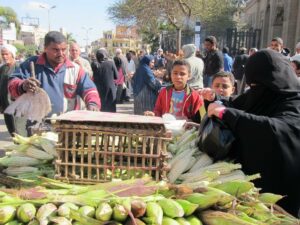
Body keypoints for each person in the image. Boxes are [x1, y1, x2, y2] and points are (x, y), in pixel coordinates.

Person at [205, 49, 300, 216]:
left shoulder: (295, 103)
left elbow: (277, 131)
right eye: (251, 86)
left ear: (274, 81)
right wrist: (215, 101)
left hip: (282, 191)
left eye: (256, 86)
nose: (253, 90)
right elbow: (237, 104)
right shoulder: (262, 93)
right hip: (252, 195)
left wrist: (226, 113)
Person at [8, 31, 100, 117]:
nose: (61, 54)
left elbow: (89, 89)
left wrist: (93, 104)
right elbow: (12, 84)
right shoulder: (30, 64)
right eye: (56, 50)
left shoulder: (75, 69)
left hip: (67, 126)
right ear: (45, 48)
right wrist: (23, 86)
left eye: (64, 49)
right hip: (37, 124)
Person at [0, 44, 18, 136]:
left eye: (6, 54)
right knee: (10, 127)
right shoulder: (3, 68)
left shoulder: (19, 66)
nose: (4, 56)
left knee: (18, 127)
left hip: (16, 102)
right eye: (2, 54)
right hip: (5, 102)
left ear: (12, 54)